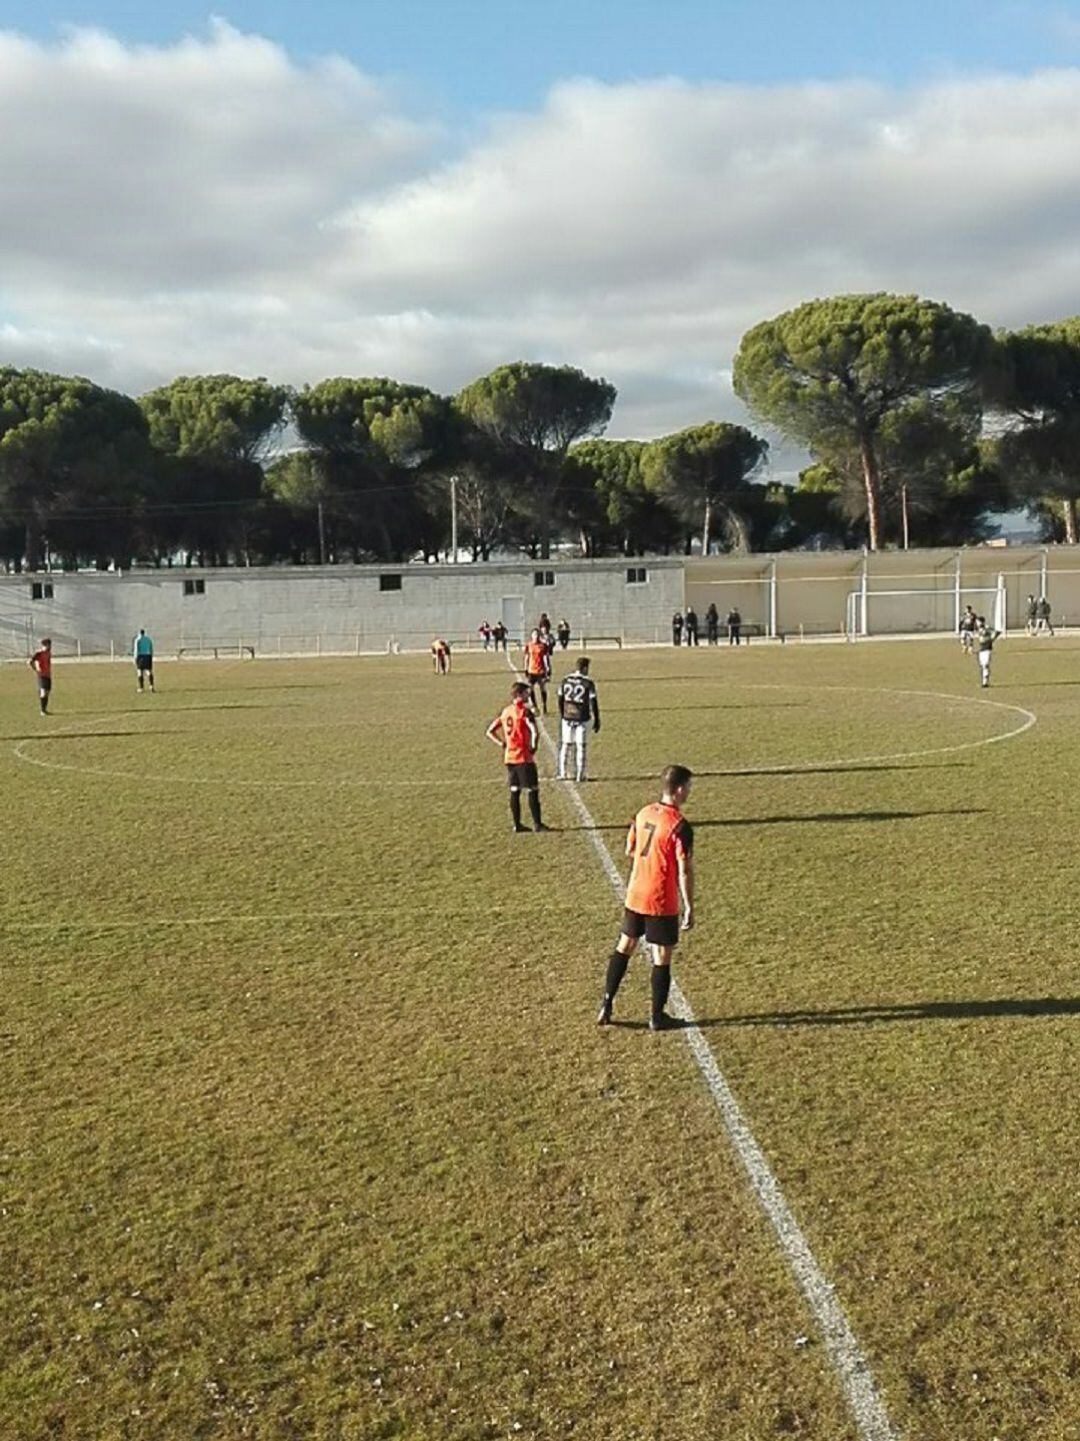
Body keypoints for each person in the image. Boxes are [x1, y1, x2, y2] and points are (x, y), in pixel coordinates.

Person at [597, 765, 694, 1031]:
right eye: (688, 786)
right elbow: (684, 870)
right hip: (660, 899)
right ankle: (657, 1016)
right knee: (662, 956)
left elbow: (630, 848)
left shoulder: (642, 813)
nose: (690, 791)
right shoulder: (679, 826)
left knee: (624, 946)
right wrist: (689, 907)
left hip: (635, 893)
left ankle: (607, 1001)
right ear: (678, 789)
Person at [485, 681, 548, 833]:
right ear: (520, 694)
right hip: (523, 757)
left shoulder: (506, 711)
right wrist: (534, 746)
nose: (528, 695)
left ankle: (517, 824)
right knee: (533, 790)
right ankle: (538, 824)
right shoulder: (525, 712)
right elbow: (534, 731)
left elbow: (490, 731)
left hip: (509, 757)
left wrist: (502, 743)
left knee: (515, 790)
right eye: (526, 693)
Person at [556, 657, 601, 782]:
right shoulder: (588, 683)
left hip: (567, 716)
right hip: (582, 717)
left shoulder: (565, 680)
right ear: (585, 668)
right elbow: (593, 702)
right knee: (581, 746)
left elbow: (560, 699)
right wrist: (597, 719)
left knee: (565, 745)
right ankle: (580, 774)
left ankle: (562, 773)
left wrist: (562, 714)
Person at [523, 628, 551, 714]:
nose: (536, 636)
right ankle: (535, 706)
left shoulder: (543, 646)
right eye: (534, 634)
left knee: (543, 688)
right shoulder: (529, 645)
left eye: (537, 634)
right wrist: (526, 668)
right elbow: (527, 657)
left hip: (541, 671)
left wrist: (548, 668)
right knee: (530, 688)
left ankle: (544, 705)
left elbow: (546, 657)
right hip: (532, 670)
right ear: (532, 636)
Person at [28, 636, 53, 716]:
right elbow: (30, 661)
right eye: (48, 645)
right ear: (44, 645)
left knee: (47, 692)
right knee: (43, 692)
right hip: (41, 675)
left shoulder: (49, 653)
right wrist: (35, 668)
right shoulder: (39, 653)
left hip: (48, 675)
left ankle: (44, 710)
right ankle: (42, 711)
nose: (50, 647)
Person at [975, 616, 998, 687]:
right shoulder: (979, 629)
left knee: (985, 664)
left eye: (978, 622)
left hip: (987, 649)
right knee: (982, 665)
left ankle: (985, 682)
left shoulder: (987, 628)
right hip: (981, 649)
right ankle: (984, 681)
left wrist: (992, 639)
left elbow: (996, 632)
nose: (977, 623)